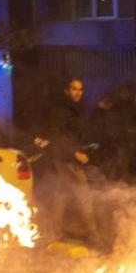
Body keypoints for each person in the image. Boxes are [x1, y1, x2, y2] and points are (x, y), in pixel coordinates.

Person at [36, 78, 100, 247]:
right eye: (74, 89)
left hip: (63, 159)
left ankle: (54, 235)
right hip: (67, 160)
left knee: (60, 197)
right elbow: (59, 135)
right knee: (84, 196)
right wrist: (76, 153)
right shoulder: (62, 110)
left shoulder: (75, 109)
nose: (78, 92)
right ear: (67, 91)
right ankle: (93, 236)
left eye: (80, 89)